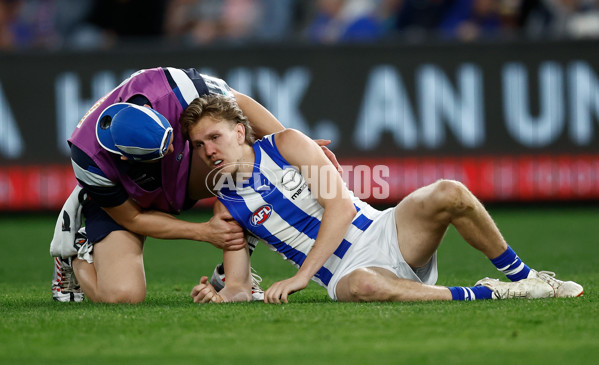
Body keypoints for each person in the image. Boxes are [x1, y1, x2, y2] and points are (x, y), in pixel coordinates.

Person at [181, 94, 584, 304]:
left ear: (239, 131)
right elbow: (236, 286)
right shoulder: (225, 207)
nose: (208, 151)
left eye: (214, 137)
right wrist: (216, 295)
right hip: (344, 275)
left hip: (385, 231)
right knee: (364, 284)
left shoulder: (287, 143)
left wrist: (302, 276)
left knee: (450, 192)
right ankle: (492, 292)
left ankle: (526, 278)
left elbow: (339, 207)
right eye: (199, 145)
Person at [51, 66, 295, 303]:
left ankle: (231, 277)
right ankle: (76, 252)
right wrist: (203, 232)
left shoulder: (172, 87)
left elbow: (237, 102)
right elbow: (133, 219)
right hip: (129, 198)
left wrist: (293, 148)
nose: (170, 149)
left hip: (187, 170)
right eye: (160, 151)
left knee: (246, 163)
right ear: (125, 157)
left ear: (151, 110)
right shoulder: (89, 161)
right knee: (123, 296)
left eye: (168, 138)